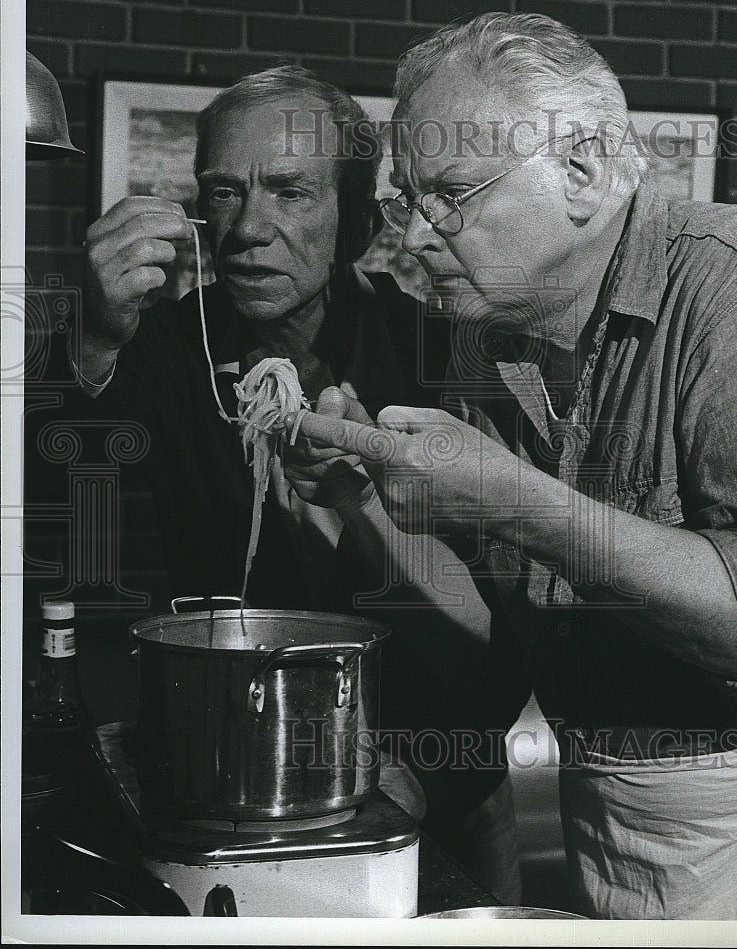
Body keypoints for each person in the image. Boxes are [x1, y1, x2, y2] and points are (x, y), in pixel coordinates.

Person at [286, 14, 737, 920]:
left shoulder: (735, 289)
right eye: (404, 202)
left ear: (582, 168)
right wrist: (356, 498)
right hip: (603, 812)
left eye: (450, 194)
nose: (412, 241)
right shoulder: (488, 343)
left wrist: (522, 503)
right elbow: (495, 650)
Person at [59, 66, 522, 903]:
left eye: (289, 193)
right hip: (225, 784)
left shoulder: (445, 360)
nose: (247, 230)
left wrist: (428, 776)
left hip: (430, 784)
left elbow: (513, 628)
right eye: (225, 193)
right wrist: (89, 343)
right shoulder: (159, 349)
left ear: (354, 222)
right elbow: (57, 525)